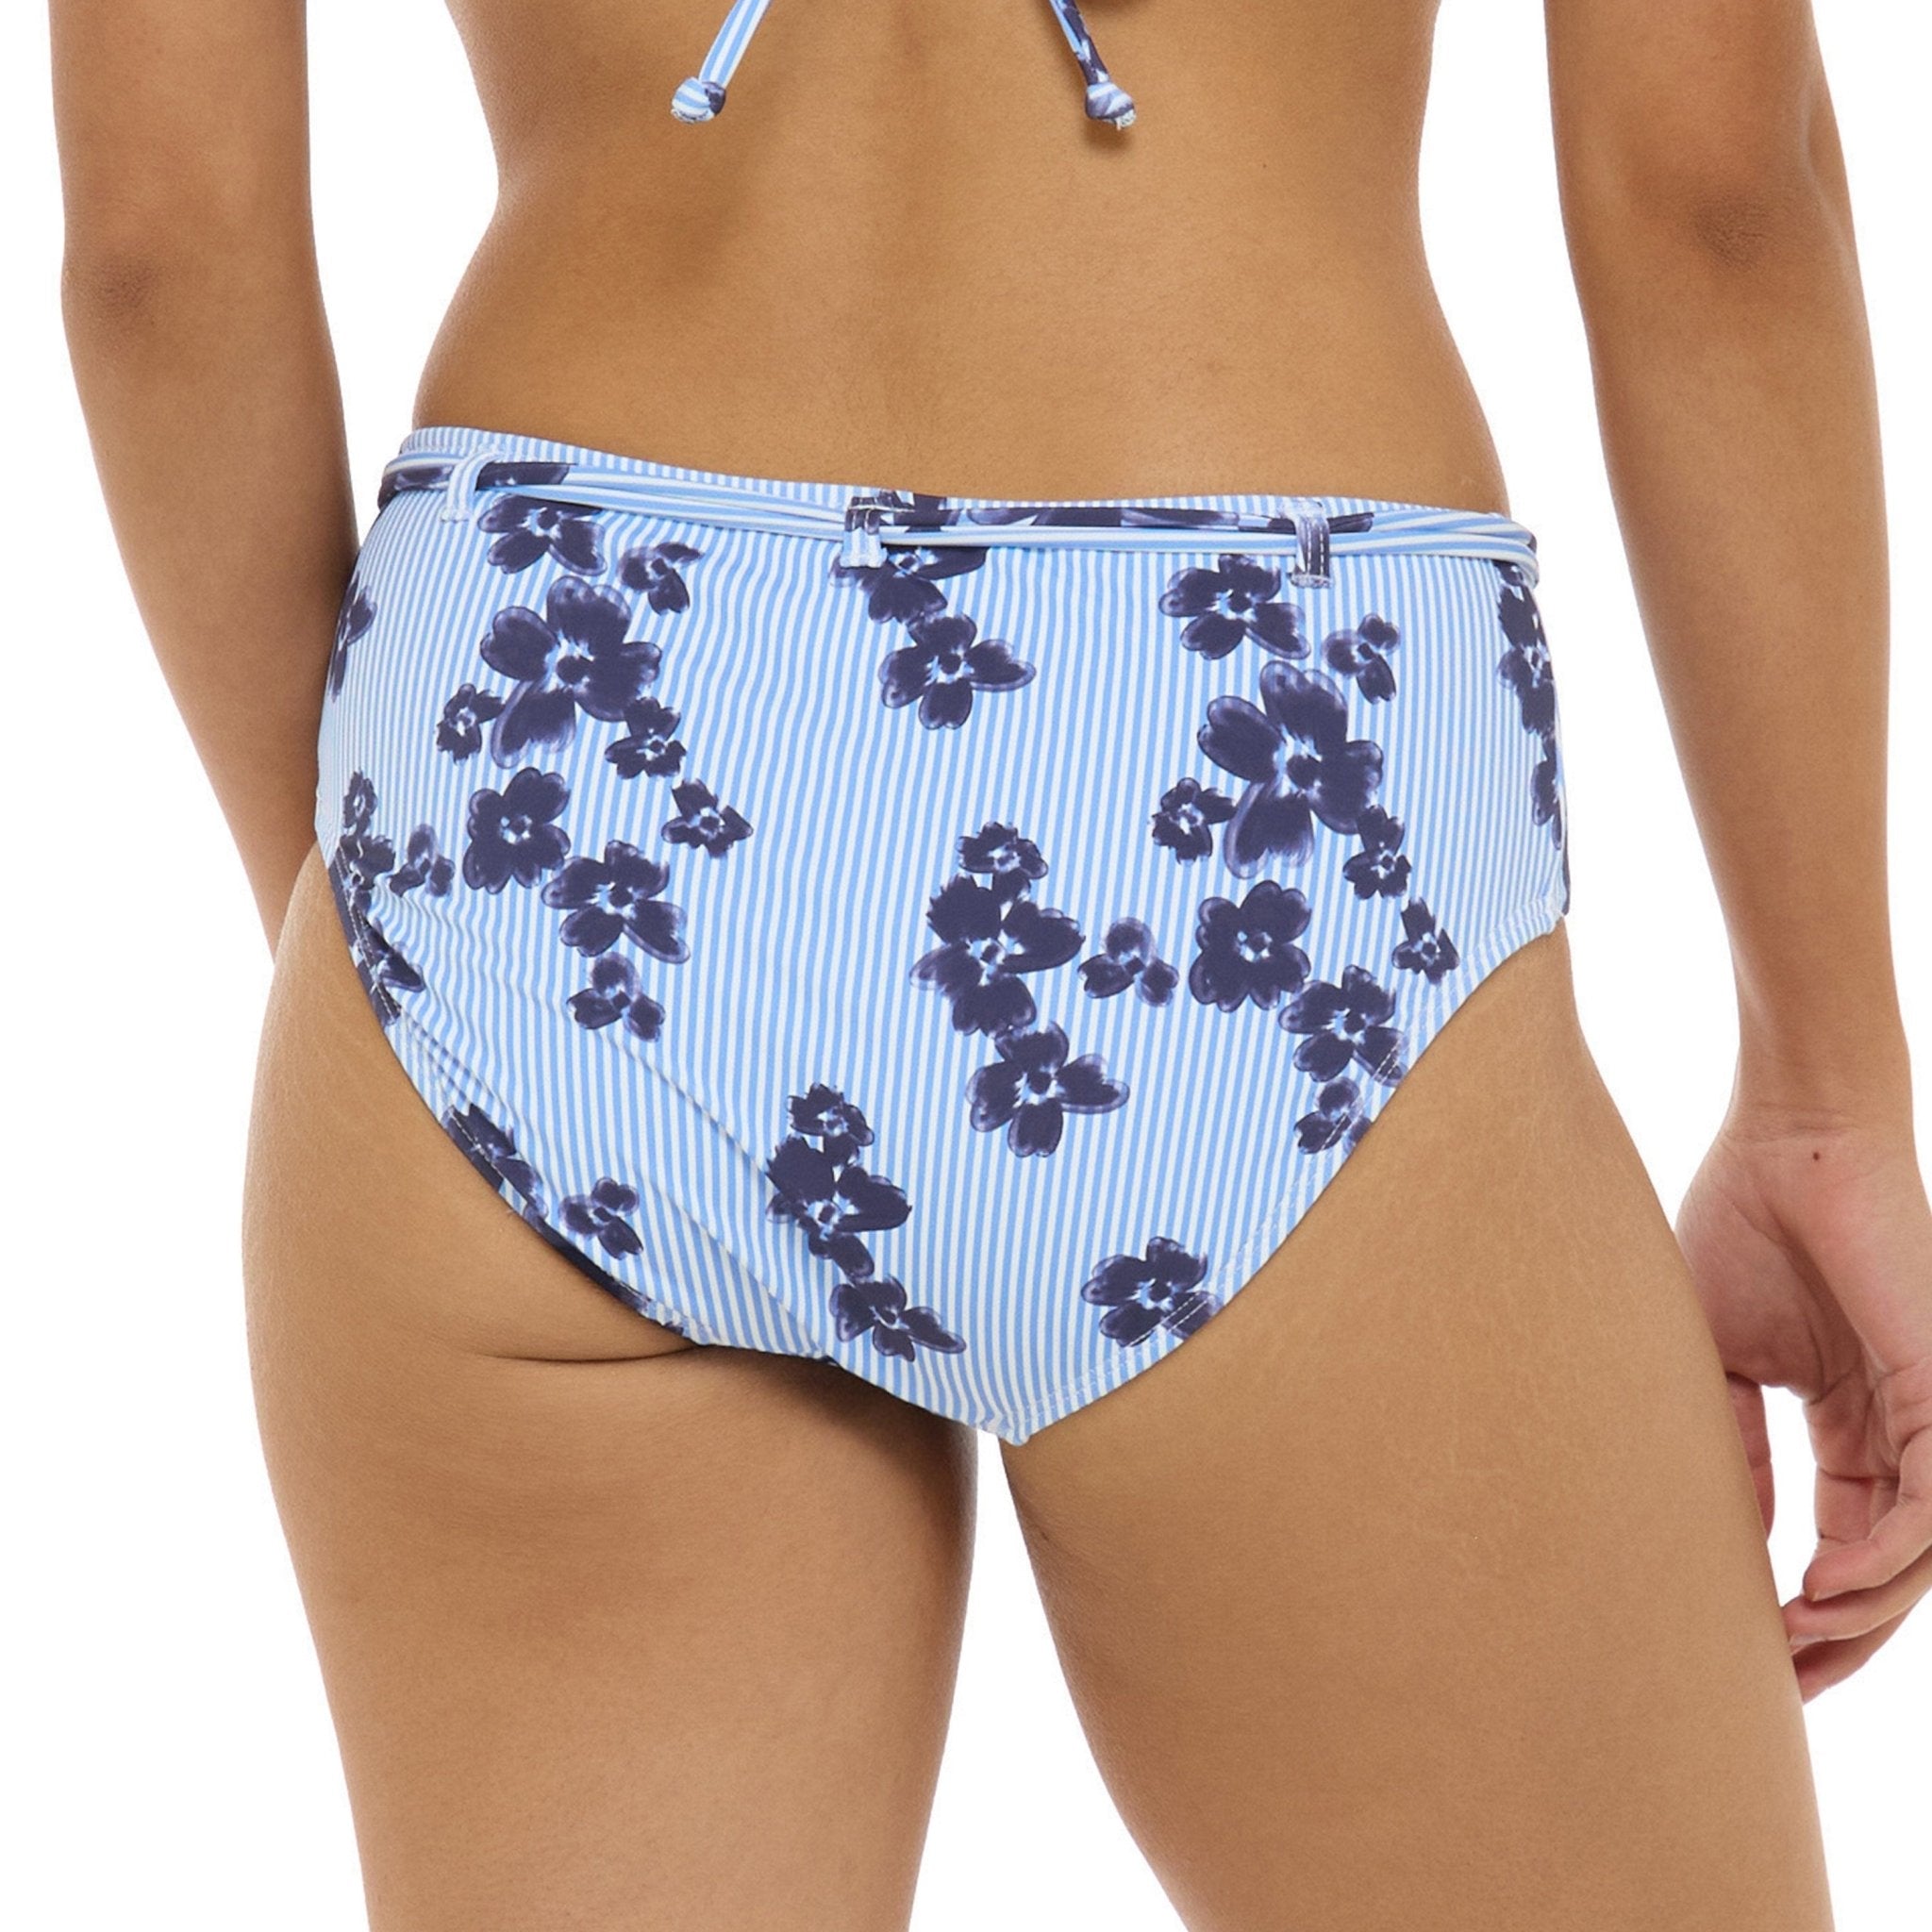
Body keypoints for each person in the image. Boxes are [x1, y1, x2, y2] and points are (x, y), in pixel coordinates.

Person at [50, 1, 1929, 1926]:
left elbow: (160, 249)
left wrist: (401, 937)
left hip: (558, 745)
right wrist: (1823, 1087)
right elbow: (1711, 191)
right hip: (1242, 770)